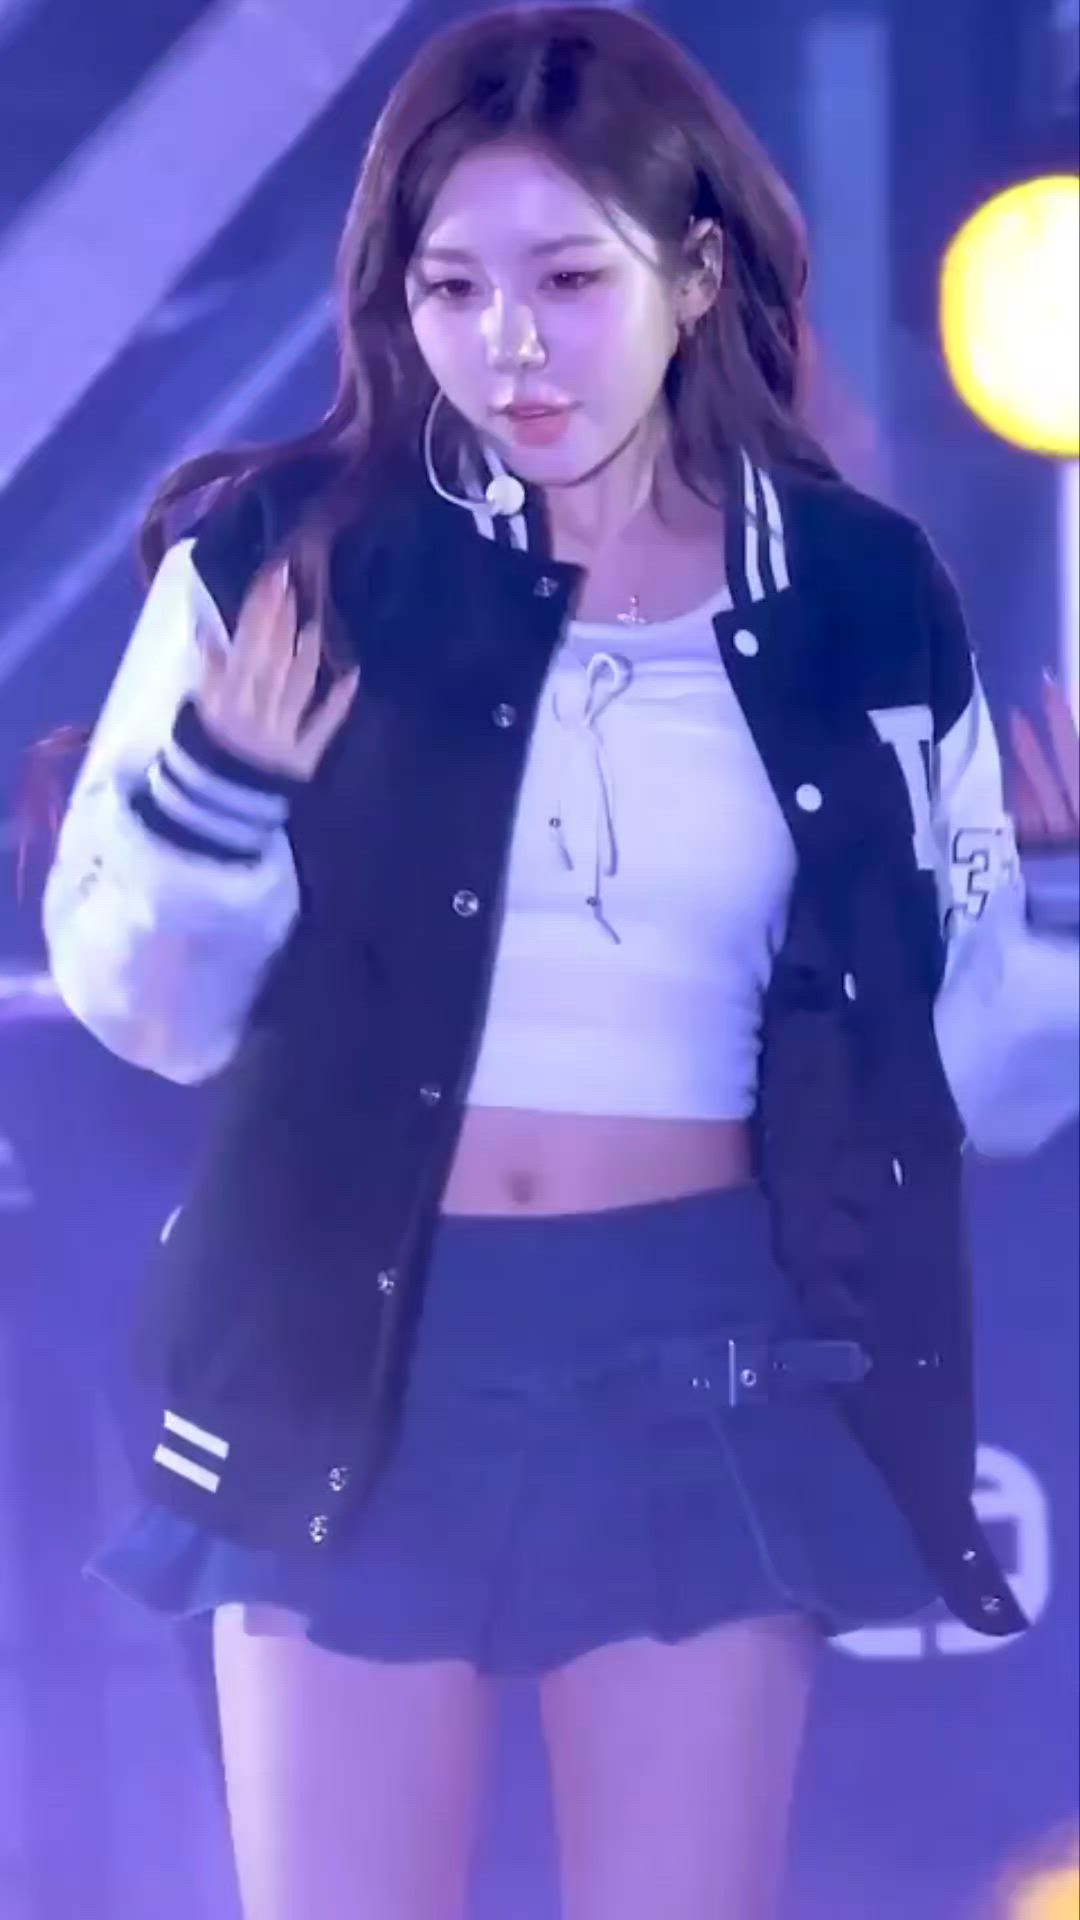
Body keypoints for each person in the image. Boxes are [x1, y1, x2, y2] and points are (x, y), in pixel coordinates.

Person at [40, 9, 1080, 1919]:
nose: (509, 345)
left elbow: (985, 1079)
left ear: (697, 275)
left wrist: (1059, 908)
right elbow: (146, 1010)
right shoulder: (291, 556)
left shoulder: (857, 595)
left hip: (705, 1349)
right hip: (350, 1342)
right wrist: (219, 792)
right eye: (453, 286)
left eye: (568, 282)